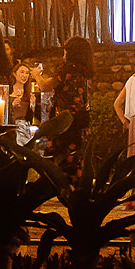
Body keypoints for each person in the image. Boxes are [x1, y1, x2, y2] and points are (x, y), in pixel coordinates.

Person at [51, 38, 93, 176]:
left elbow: (47, 85)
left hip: (65, 120)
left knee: (61, 159)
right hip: (81, 119)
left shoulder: (67, 69)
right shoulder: (85, 71)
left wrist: (36, 75)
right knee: (77, 157)